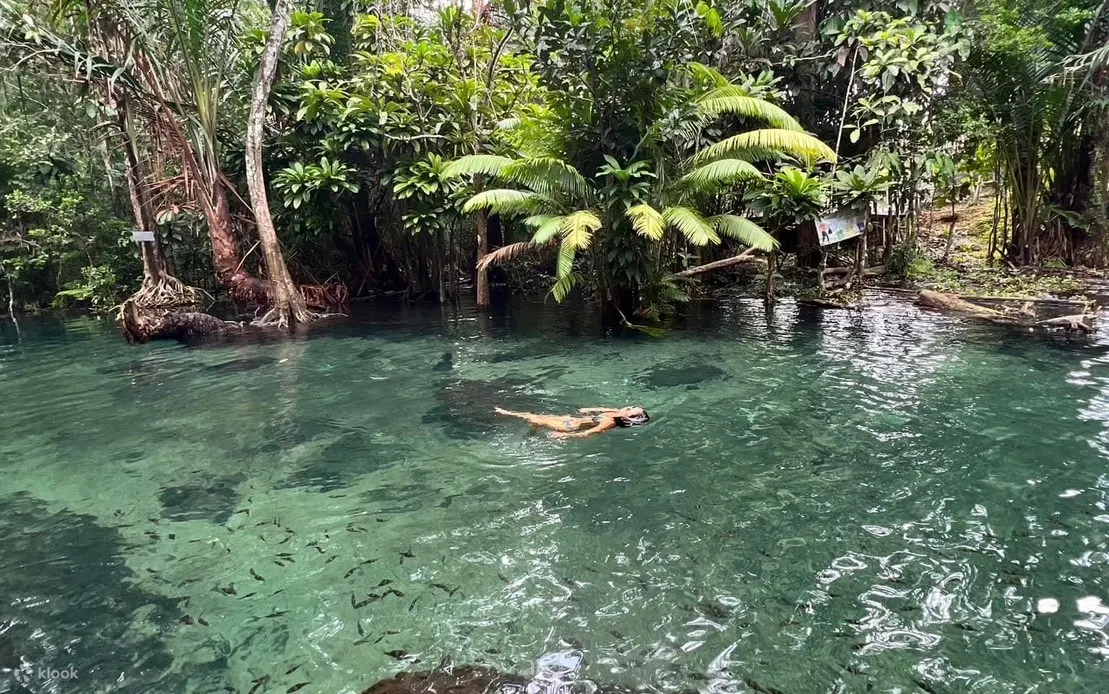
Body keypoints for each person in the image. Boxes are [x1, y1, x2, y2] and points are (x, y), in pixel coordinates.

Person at [493, 406, 650, 439]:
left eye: (631, 409)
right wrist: (588, 409)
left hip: (569, 427)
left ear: (630, 417)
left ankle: (505, 413)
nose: (628, 406)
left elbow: (591, 432)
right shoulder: (615, 411)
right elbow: (600, 409)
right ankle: (531, 432)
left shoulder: (611, 422)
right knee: (538, 418)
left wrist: (564, 437)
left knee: (531, 417)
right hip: (572, 420)